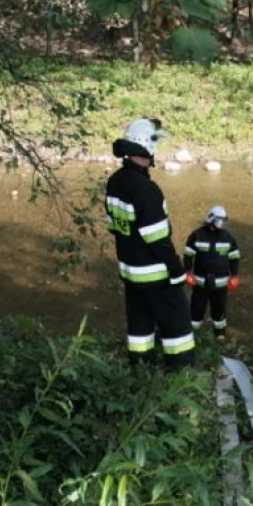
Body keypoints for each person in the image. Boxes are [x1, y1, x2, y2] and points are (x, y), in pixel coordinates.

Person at [104, 117, 195, 369]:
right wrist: (176, 270)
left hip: (130, 272)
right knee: (177, 325)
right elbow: (157, 238)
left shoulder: (115, 182)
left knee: (139, 327)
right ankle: (182, 374)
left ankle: (140, 371)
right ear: (147, 145)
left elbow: (115, 225)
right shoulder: (145, 189)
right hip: (156, 274)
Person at [183, 205, 241, 341]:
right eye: (218, 219)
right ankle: (193, 335)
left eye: (223, 220)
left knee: (219, 309)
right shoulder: (197, 235)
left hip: (220, 284)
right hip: (200, 283)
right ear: (211, 218)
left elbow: (234, 257)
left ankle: (220, 334)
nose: (221, 222)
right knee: (196, 309)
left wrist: (235, 275)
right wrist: (187, 272)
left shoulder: (228, 238)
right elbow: (188, 255)